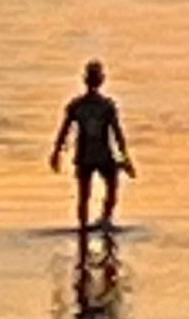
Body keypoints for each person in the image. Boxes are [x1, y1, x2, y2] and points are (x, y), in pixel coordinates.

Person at [49, 60, 134, 234]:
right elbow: (117, 134)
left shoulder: (77, 105)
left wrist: (57, 152)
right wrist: (125, 157)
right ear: (101, 80)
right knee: (110, 188)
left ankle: (85, 228)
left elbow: (64, 132)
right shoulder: (105, 106)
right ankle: (104, 220)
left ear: (85, 80)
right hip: (101, 155)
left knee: (84, 194)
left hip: (86, 156)